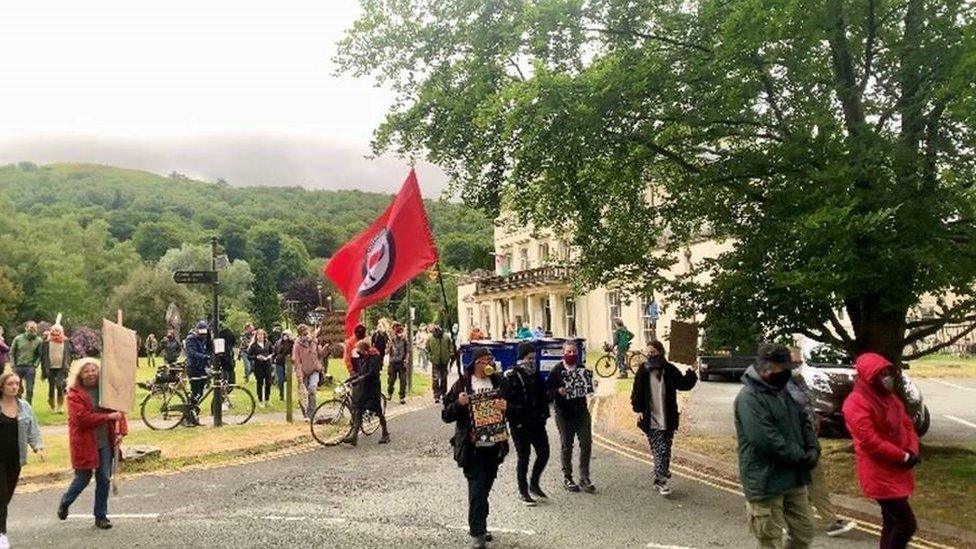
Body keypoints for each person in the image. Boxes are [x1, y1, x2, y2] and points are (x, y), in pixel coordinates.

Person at [735, 343, 818, 549]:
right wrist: (801, 456)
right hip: (765, 479)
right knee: (770, 540)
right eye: (784, 368)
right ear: (767, 366)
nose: (788, 372)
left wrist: (813, 448)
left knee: (804, 532)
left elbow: (803, 420)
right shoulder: (748, 398)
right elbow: (766, 439)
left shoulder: (784, 391)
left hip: (793, 477)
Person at [843, 353, 920, 549]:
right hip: (879, 472)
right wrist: (902, 456)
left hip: (897, 468)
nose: (887, 377)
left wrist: (911, 450)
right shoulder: (856, 402)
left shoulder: (890, 398)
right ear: (870, 377)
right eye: (881, 374)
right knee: (906, 524)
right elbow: (870, 441)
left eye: (888, 372)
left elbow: (907, 424)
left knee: (892, 522)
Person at [442, 347, 509, 549]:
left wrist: (507, 407)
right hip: (472, 448)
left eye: (491, 359)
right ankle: (477, 532)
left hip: (494, 445)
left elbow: (514, 409)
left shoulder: (498, 381)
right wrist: (459, 404)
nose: (490, 363)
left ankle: (482, 524)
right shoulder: (463, 384)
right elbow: (446, 415)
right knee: (477, 490)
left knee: (485, 489)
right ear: (476, 363)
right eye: (485, 360)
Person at [786, 348, 855, 537]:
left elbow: (808, 405)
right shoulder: (777, 386)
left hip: (808, 439)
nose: (798, 366)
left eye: (800, 362)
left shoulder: (799, 381)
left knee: (816, 480)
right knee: (792, 484)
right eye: (794, 363)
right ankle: (788, 522)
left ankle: (830, 521)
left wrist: (815, 419)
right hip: (791, 442)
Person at [57, 359, 128, 530]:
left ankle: (101, 516)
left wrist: (121, 432)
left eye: (93, 370)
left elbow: (119, 411)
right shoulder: (74, 394)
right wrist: (108, 418)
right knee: (83, 478)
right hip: (84, 442)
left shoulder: (107, 391)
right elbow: (81, 419)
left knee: (104, 477)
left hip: (105, 440)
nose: (91, 374)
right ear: (80, 374)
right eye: (86, 371)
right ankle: (66, 502)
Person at [630, 340, 697, 496]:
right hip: (649, 418)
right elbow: (636, 391)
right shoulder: (643, 370)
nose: (649, 355)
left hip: (668, 419)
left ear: (660, 352)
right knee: (661, 450)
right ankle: (661, 480)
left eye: (653, 352)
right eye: (648, 352)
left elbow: (683, 384)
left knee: (664, 450)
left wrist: (692, 371)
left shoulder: (669, 370)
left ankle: (660, 474)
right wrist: (638, 409)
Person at [1, 372, 45, 548]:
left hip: (15, 459)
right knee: (1, 496)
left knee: (6, 497)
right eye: (10, 384)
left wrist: (38, 447)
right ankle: (2, 534)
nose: (14, 387)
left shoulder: (24, 406)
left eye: (17, 384)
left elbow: (33, 428)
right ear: (2, 386)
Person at [547, 341, 596, 493]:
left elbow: (588, 387)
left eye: (574, 351)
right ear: (563, 353)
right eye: (568, 352)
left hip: (581, 412)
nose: (572, 354)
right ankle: (567, 477)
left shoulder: (582, 369)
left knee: (586, 444)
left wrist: (593, 385)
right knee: (567, 445)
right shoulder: (557, 370)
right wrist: (557, 391)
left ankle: (584, 477)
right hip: (564, 413)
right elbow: (547, 391)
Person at [505, 341, 551, 506]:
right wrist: (515, 415)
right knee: (523, 457)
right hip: (520, 424)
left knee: (544, 453)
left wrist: (545, 412)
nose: (532, 360)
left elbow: (543, 396)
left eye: (534, 357)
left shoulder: (535, 374)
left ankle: (534, 483)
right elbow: (506, 401)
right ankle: (523, 491)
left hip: (537, 422)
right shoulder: (512, 376)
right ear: (522, 358)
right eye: (529, 357)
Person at [343, 339, 390, 446]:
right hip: (364, 388)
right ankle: (354, 436)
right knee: (359, 409)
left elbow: (371, 373)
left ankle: (385, 433)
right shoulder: (363, 358)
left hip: (372, 388)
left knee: (378, 411)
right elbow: (361, 371)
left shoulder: (374, 357)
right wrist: (353, 378)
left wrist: (358, 380)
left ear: (364, 350)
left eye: (358, 350)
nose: (357, 352)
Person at [40, 322, 73, 414]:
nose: (56, 331)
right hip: (50, 368)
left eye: (58, 330)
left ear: (62, 331)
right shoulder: (46, 342)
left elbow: (70, 354)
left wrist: (68, 364)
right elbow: (43, 357)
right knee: (51, 387)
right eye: (54, 330)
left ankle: (60, 406)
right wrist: (43, 371)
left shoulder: (66, 341)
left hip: (61, 368)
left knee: (59, 385)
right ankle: (52, 405)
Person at [184, 321, 212, 426]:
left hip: (201, 368)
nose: (203, 334)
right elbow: (191, 353)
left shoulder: (205, 338)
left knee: (199, 393)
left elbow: (209, 349)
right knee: (195, 392)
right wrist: (205, 357)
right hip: (193, 368)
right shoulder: (191, 338)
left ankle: (194, 415)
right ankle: (189, 417)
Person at [291, 325, 322, 421]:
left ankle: (312, 414)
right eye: (304, 333)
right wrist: (299, 374)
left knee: (312, 390)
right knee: (303, 393)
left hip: (314, 369)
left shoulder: (314, 341)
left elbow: (319, 354)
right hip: (303, 371)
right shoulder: (297, 344)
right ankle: (305, 414)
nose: (306, 335)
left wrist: (326, 348)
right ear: (300, 334)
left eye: (307, 332)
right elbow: (296, 360)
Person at [10, 322, 42, 404]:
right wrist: (13, 364)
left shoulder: (38, 340)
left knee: (29, 389)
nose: (32, 329)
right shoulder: (18, 339)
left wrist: (35, 365)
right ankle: (17, 405)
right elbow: (12, 352)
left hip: (30, 368)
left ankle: (28, 406)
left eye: (34, 328)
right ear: (26, 328)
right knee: (17, 388)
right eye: (30, 328)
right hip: (17, 367)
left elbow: (40, 354)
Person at [426, 325, 454, 404]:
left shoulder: (446, 337)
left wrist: (449, 355)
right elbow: (427, 349)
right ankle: (436, 395)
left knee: (444, 378)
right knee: (435, 379)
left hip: (444, 361)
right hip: (435, 361)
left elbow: (451, 347)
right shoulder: (430, 338)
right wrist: (430, 357)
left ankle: (443, 393)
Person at [248, 330, 274, 407]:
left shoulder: (268, 343)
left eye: (261, 335)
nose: (260, 336)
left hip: (267, 365)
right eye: (258, 335)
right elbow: (249, 356)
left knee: (268, 383)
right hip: (258, 366)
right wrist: (256, 357)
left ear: (264, 335)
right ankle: (260, 400)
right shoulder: (253, 345)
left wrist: (269, 356)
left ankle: (267, 400)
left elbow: (272, 352)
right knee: (260, 383)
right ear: (256, 336)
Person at [387, 323, 409, 404]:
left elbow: (408, 351)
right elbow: (387, 351)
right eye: (397, 332)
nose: (399, 334)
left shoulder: (404, 340)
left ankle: (402, 397)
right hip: (393, 362)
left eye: (400, 332)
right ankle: (389, 393)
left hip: (401, 363)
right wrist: (390, 347)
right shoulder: (391, 340)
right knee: (391, 380)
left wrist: (406, 360)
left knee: (403, 381)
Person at [273, 331, 294, 401]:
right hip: (279, 362)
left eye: (287, 335)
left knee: (288, 379)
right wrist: (274, 358)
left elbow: (294, 351)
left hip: (288, 363)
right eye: (284, 335)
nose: (285, 336)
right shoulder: (278, 342)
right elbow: (275, 351)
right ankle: (281, 395)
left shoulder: (292, 343)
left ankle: (289, 395)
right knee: (280, 380)